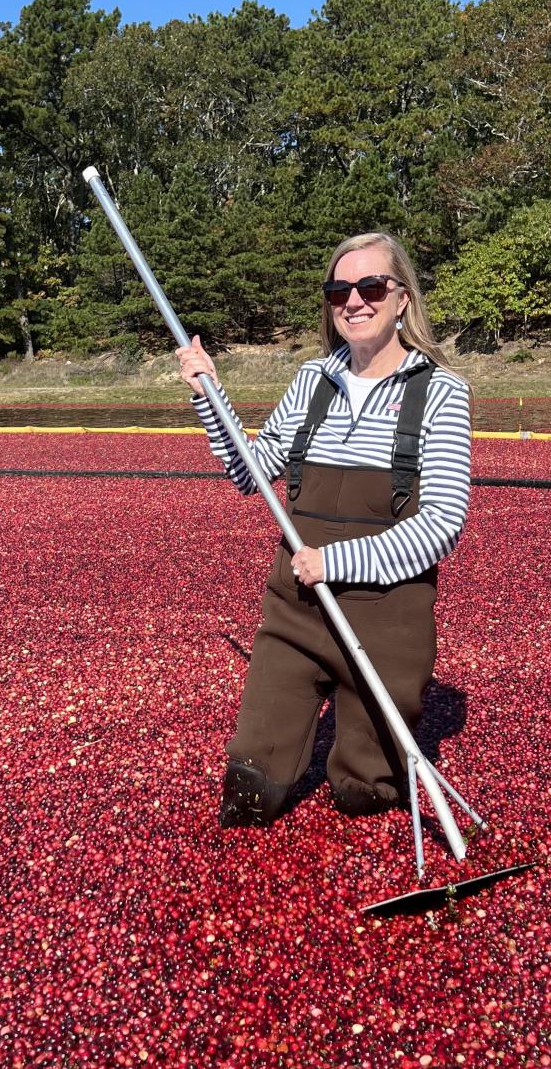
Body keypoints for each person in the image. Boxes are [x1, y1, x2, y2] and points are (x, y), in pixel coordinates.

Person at [177, 232, 471, 827]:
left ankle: (372, 764)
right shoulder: (314, 380)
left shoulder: (441, 393)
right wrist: (210, 395)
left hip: (387, 616)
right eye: (340, 289)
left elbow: (442, 524)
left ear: (402, 299)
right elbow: (251, 474)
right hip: (298, 610)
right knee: (250, 788)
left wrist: (336, 563)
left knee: (365, 796)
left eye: (370, 287)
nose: (353, 301)